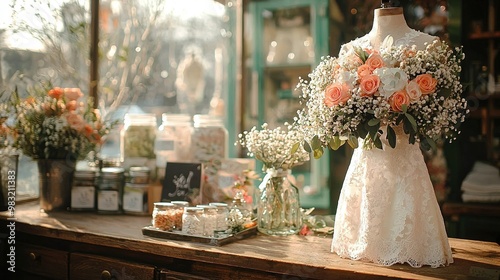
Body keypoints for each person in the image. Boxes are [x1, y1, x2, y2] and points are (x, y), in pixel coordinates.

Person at [330, 5, 454, 268]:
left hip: (406, 163)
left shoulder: (427, 45)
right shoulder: (350, 51)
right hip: (366, 165)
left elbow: (439, 107)